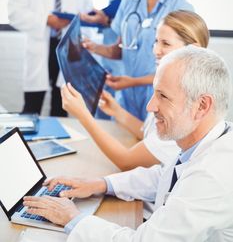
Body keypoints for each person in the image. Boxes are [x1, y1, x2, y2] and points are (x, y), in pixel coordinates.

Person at [24, 45, 233, 241]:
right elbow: (162, 176)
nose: (151, 106)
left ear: (202, 106)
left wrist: (73, 218)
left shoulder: (213, 174)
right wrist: (100, 184)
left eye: (163, 96)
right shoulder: (205, 143)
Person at [61, 11, 209, 171]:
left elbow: (127, 161)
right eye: (156, 42)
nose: (156, 50)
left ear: (193, 49)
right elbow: (150, 133)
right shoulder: (172, 85)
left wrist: (83, 116)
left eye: (165, 44)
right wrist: (117, 112)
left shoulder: (185, 102)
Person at [83, 0, 193, 121]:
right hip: (126, 96)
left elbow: (180, 69)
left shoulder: (182, 10)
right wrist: (92, 47)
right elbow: (120, 49)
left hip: (161, 98)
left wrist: (132, 82)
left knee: (148, 147)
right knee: (120, 146)